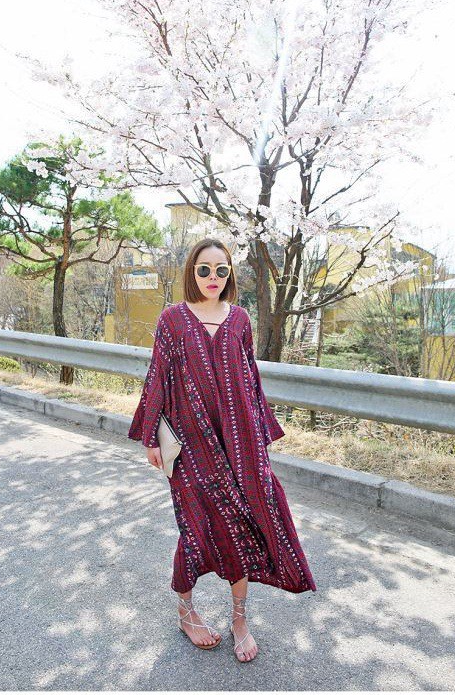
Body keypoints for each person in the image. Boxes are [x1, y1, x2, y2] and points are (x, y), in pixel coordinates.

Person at [128, 238, 317, 662]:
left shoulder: (241, 319)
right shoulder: (172, 319)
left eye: (221, 270)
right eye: (204, 269)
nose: (212, 277)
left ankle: (239, 619)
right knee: (195, 527)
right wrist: (150, 437)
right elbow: (158, 376)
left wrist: (261, 438)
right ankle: (186, 610)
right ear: (191, 272)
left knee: (244, 525)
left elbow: (250, 379)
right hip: (191, 444)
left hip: (241, 442)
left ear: (230, 275)